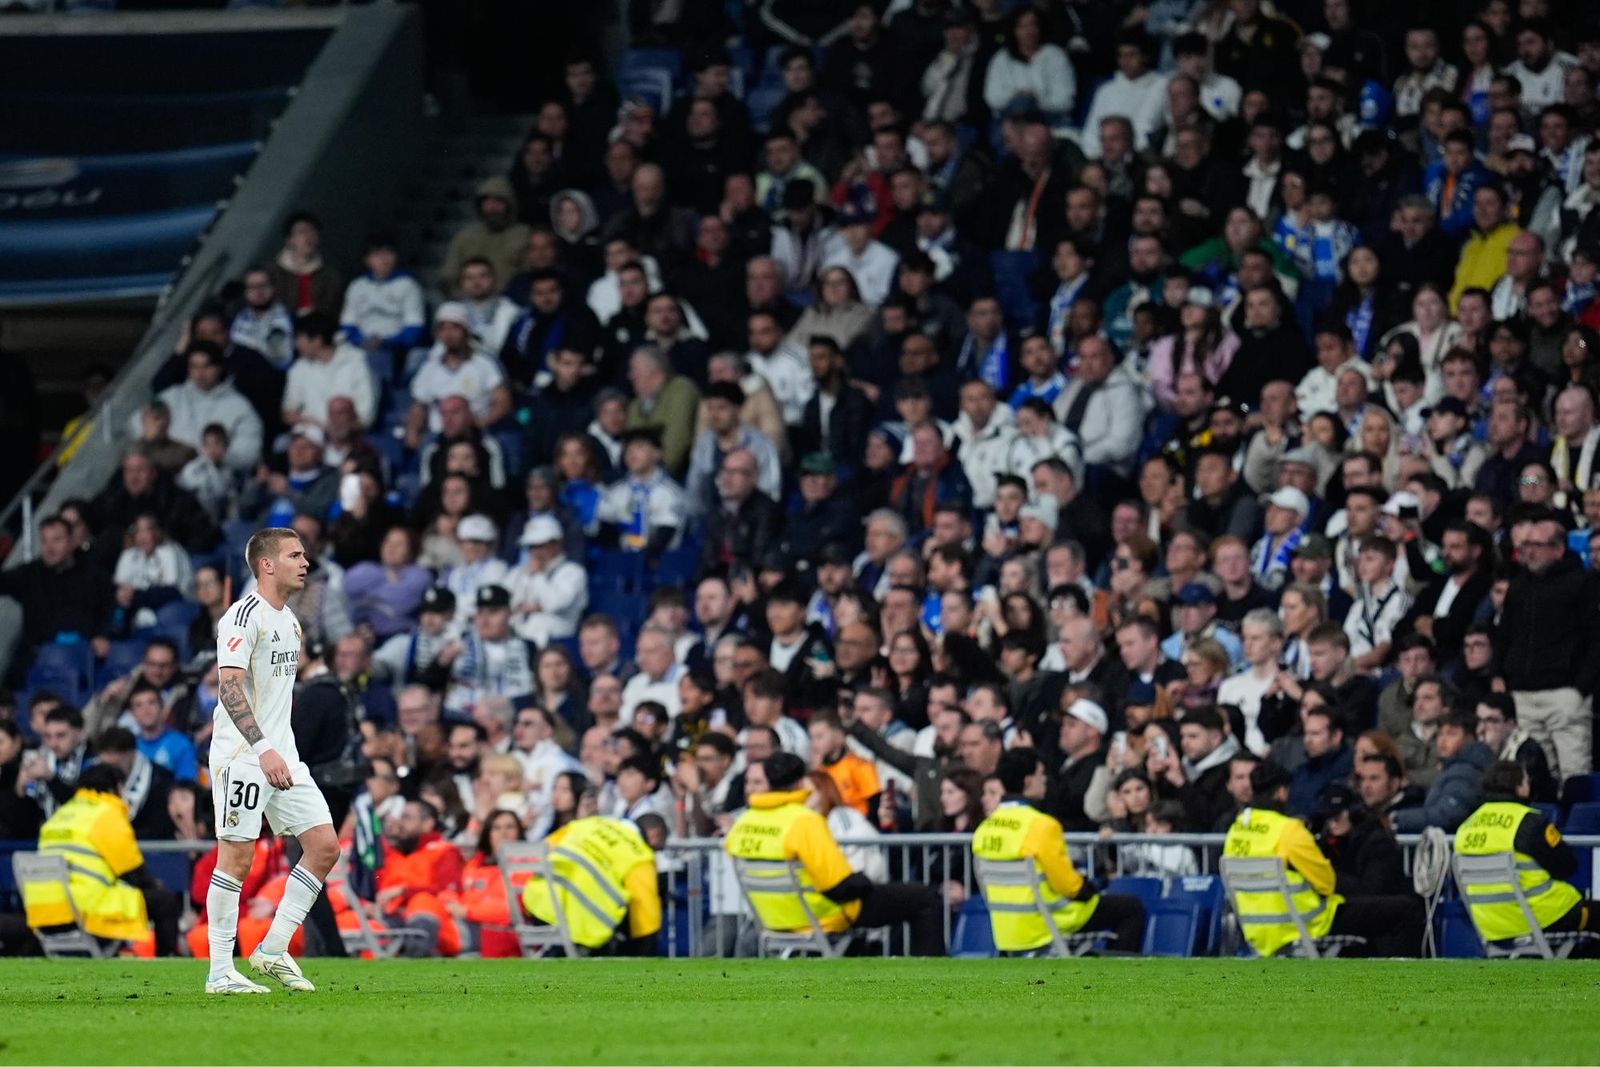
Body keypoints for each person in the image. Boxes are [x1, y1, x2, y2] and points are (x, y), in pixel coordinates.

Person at [206, 527, 340, 994]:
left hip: (283, 756)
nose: (305, 562)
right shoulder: (242, 617)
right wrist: (263, 750)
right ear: (267, 564)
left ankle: (272, 949)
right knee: (236, 859)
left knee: (325, 846)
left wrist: (277, 749)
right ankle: (221, 971)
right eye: (295, 555)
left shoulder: (291, 621)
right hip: (244, 756)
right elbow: (229, 687)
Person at [723, 752, 945, 955]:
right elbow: (839, 886)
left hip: (771, 918)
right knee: (924, 898)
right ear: (801, 782)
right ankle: (932, 981)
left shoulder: (743, 822)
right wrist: (865, 883)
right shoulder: (804, 821)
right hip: (821, 915)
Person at [1223, 760, 1423, 957]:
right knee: (1407, 909)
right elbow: (1326, 883)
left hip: (1258, 930)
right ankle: (1400, 982)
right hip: (1308, 923)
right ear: (1281, 792)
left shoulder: (1236, 830)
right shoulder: (1287, 830)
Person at [972, 749, 1146, 954]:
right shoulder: (1040, 825)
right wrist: (1089, 889)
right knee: (1131, 907)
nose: (1045, 779)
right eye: (1041, 773)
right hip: (1047, 922)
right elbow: (1069, 886)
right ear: (1028, 782)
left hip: (1006, 931)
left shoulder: (984, 829)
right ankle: (1117, 978)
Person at [28, 762, 180, 957]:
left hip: (44, 914)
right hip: (84, 911)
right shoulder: (106, 813)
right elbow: (132, 871)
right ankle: (167, 960)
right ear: (114, 787)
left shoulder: (60, 815)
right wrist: (154, 886)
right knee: (164, 901)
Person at [1453, 760, 1599, 955]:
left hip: (1491, 925)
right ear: (1519, 787)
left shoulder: (1466, 826)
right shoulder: (1528, 821)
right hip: (1541, 916)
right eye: (1526, 782)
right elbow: (1567, 865)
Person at [519, 813, 663, 954]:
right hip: (583, 928)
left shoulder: (588, 823)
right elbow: (646, 922)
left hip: (539, 905)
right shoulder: (641, 855)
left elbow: (540, 851)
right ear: (654, 835)